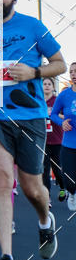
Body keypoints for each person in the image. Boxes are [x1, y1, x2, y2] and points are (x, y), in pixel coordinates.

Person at [0, 0, 65, 260]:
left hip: (30, 116)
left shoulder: (33, 27)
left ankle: (44, 219)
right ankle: (6, 257)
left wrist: (33, 72)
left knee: (32, 188)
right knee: (1, 179)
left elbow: (60, 63)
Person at [50, 63, 76, 211]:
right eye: (71, 72)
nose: (73, 74)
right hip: (68, 144)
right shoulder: (65, 95)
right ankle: (71, 193)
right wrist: (62, 122)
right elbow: (53, 114)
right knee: (69, 180)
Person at [44, 75, 67, 204]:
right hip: (43, 140)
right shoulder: (38, 101)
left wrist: (53, 113)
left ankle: (63, 187)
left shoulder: (57, 101)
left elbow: (66, 116)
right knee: (45, 170)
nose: (47, 86)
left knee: (57, 169)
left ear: (53, 88)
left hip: (58, 140)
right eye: (45, 84)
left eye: (49, 84)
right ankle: (46, 197)